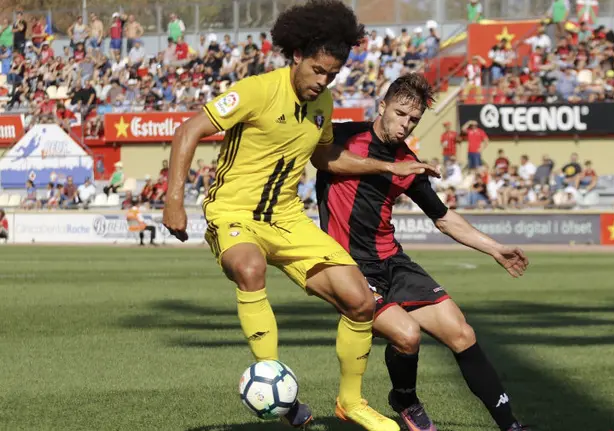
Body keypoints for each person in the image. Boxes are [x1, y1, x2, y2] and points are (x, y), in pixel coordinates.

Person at [161, 2, 437, 430]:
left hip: (289, 220)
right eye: (318, 70)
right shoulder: (256, 91)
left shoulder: (323, 103)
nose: (323, 81)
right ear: (297, 56)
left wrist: (389, 166)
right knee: (250, 268)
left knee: (361, 301)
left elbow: (326, 158)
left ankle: (351, 402)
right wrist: (174, 199)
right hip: (235, 213)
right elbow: (188, 130)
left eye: (332, 74)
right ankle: (278, 389)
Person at [316, 73, 532, 431]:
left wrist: (495, 249)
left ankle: (511, 425)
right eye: (400, 114)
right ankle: (406, 399)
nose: (405, 124)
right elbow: (325, 160)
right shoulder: (343, 136)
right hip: (347, 267)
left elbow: (443, 218)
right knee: (407, 335)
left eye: (413, 119)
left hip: (391, 261)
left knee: (462, 333)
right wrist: (390, 167)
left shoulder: (409, 162)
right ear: (382, 106)